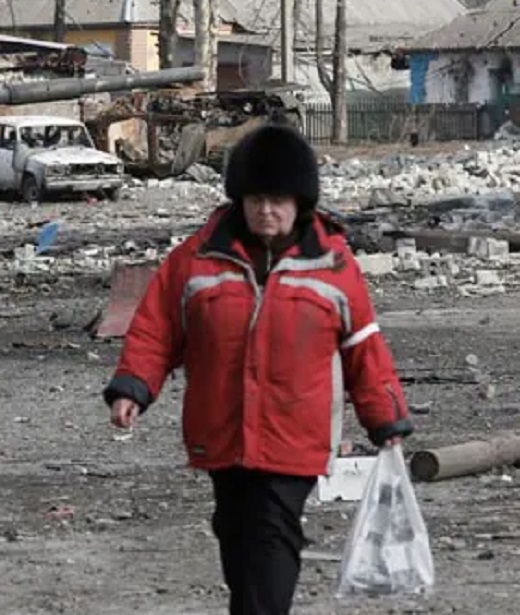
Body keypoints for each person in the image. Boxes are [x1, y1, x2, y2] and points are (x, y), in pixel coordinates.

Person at [101, 122, 413, 615]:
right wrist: (132, 389)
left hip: (296, 432)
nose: (267, 211)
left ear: (299, 203)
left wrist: (386, 422)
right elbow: (157, 330)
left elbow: (364, 348)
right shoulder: (197, 259)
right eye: (256, 199)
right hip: (221, 429)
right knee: (236, 531)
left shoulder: (333, 266)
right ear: (239, 200)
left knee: (271, 531)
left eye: (278, 200)